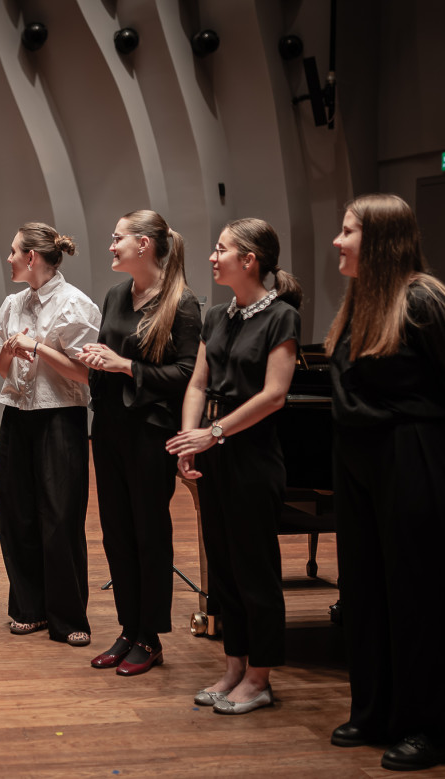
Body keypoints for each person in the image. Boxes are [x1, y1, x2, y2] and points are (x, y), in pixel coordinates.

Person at [325, 194, 445, 771]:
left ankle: (430, 730)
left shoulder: (424, 299)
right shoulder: (362, 299)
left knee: (421, 600)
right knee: (366, 592)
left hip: (414, 457)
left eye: (348, 231)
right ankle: (377, 711)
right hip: (364, 460)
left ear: (380, 241)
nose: (337, 241)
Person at [166, 218, 302, 715]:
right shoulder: (217, 315)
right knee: (223, 567)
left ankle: (259, 678)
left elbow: (275, 395)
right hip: (215, 450)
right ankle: (233, 668)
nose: (212, 256)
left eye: (221, 249)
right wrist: (189, 440)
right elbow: (198, 383)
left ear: (249, 260)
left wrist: (215, 432)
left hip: (253, 454)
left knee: (254, 570)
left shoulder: (282, 317)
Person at [75, 210, 201, 676]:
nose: (111, 246)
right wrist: (95, 359)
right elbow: (110, 354)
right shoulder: (115, 294)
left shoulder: (182, 303)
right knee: (116, 532)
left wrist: (124, 365)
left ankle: (150, 636)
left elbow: (188, 374)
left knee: (149, 533)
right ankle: (128, 629)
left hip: (151, 432)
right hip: (108, 427)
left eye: (118, 238)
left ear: (144, 244)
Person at [0, 223, 101, 647]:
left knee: (60, 517)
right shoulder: (12, 304)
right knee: (15, 513)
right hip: (17, 415)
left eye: (13, 251)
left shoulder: (75, 304)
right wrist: (9, 351)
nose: (9, 258)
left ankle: (68, 616)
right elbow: (1, 368)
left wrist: (37, 347)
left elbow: (85, 373)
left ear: (31, 257)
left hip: (60, 418)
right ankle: (28, 608)